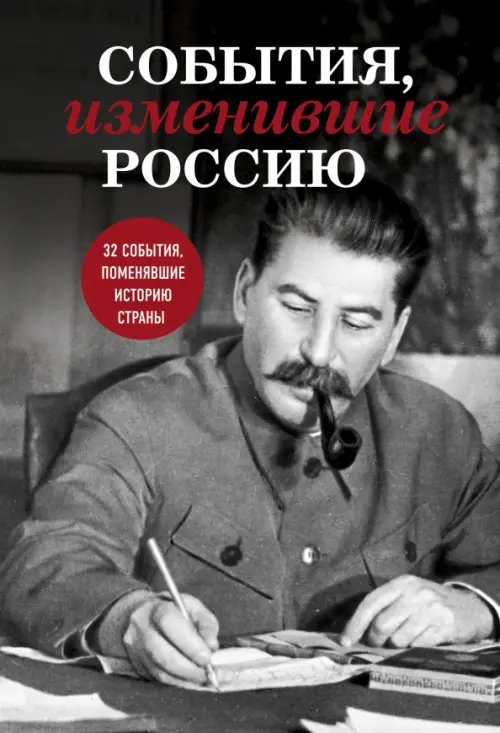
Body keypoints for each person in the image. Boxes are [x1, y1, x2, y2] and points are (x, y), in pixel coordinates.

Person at [1, 174, 500, 689]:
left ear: (394, 335)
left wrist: (473, 607)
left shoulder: (440, 432)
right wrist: (126, 617)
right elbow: (46, 562)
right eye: (297, 308)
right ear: (245, 293)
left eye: (356, 324)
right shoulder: (138, 417)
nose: (319, 352)